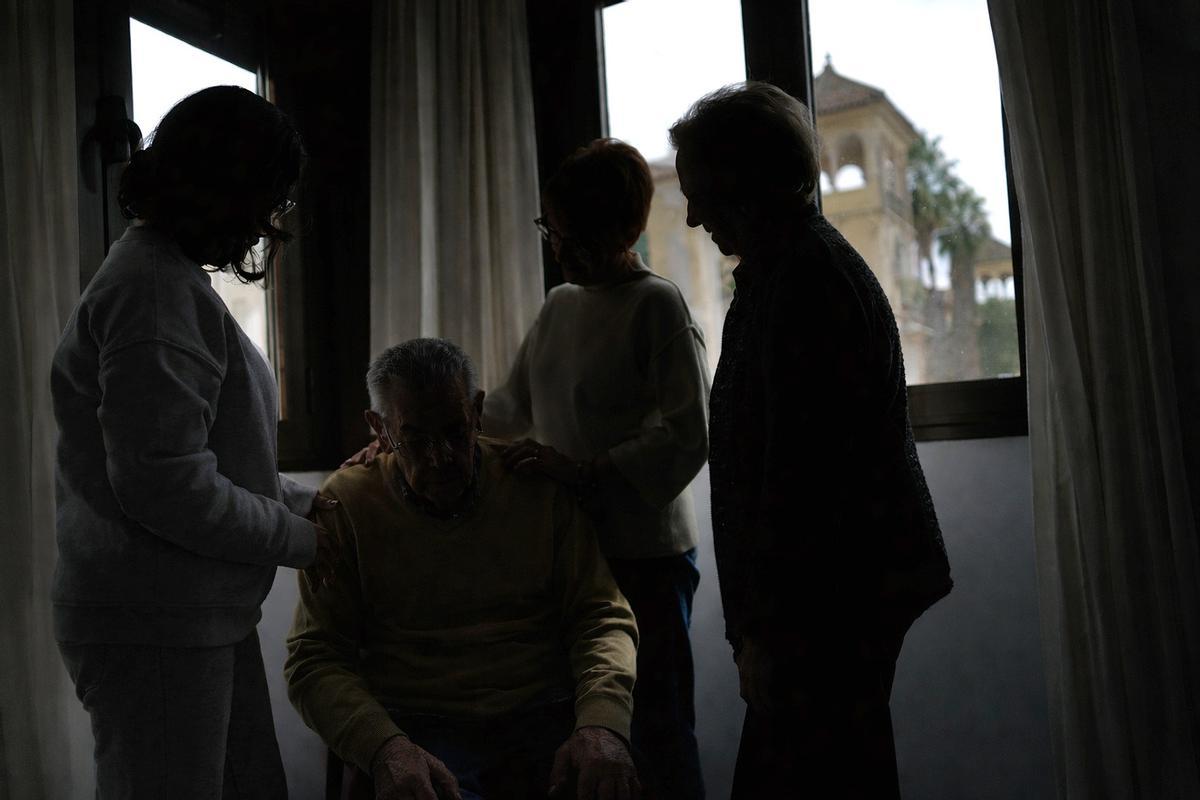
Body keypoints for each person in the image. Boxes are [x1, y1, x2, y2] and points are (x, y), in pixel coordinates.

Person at [51, 85, 340, 798]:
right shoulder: (154, 293)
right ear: (230, 190)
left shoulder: (164, 280)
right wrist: (303, 542)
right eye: (268, 201)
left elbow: (213, 461)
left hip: (185, 618)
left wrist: (312, 507)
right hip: (156, 628)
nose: (267, 226)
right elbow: (165, 484)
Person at [668, 82, 953, 798]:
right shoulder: (786, 270)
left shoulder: (804, 282)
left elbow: (800, 484)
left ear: (746, 179)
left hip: (821, 612)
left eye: (702, 190)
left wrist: (764, 634)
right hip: (824, 606)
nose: (695, 213)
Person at [286, 338, 641, 800]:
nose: (441, 458)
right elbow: (314, 657)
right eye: (415, 439)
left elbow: (601, 617)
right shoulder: (346, 505)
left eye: (455, 432)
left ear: (476, 410)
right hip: (418, 726)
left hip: (542, 713)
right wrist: (383, 747)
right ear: (381, 428)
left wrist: (602, 723)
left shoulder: (534, 487)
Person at [485, 138, 710, 799]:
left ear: (617, 229)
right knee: (581, 730)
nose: (554, 245)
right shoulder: (559, 305)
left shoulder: (657, 305)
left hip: (647, 556)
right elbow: (511, 406)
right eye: (549, 229)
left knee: (657, 728)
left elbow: (687, 434)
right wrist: (450, 412)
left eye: (564, 231)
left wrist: (586, 472)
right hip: (571, 552)